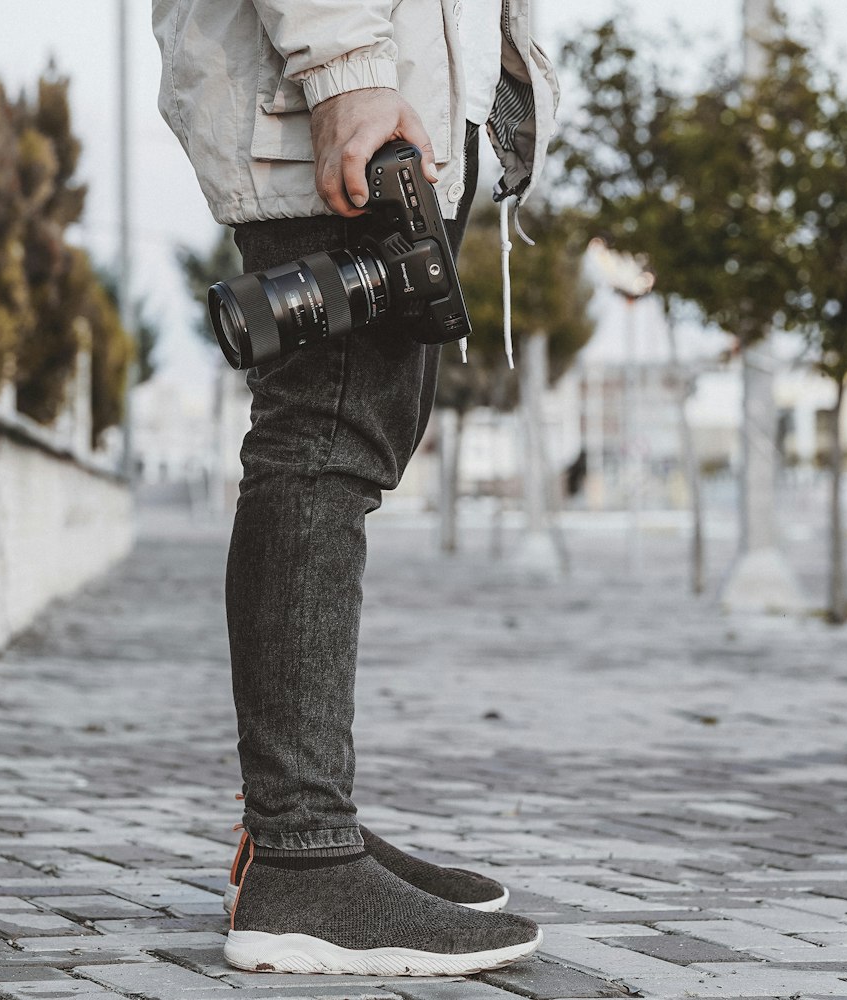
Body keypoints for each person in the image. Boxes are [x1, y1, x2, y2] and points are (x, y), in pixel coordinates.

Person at [152, 0, 559, 977]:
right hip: (345, 90)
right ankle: (302, 857)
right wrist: (345, 70)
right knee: (322, 443)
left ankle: (295, 831)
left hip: (406, 98)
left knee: (354, 438)